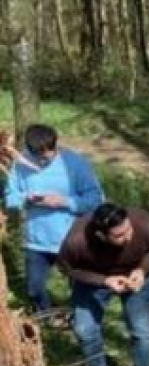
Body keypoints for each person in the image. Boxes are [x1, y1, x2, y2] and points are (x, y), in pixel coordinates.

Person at [58, 203, 149, 366]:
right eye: (119, 236)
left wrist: (142, 269)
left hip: (137, 276)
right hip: (94, 278)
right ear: (102, 236)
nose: (127, 237)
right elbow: (67, 268)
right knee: (84, 327)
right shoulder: (77, 240)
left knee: (141, 329)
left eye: (128, 230)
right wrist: (103, 281)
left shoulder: (143, 222)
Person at [3, 124, 104, 318]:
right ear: (30, 149)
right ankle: (48, 316)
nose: (48, 155)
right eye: (41, 153)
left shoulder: (76, 163)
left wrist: (64, 202)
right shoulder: (20, 165)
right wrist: (26, 200)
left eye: (52, 150)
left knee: (80, 287)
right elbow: (11, 197)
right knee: (34, 288)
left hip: (72, 238)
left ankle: (79, 318)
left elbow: (95, 199)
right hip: (36, 240)